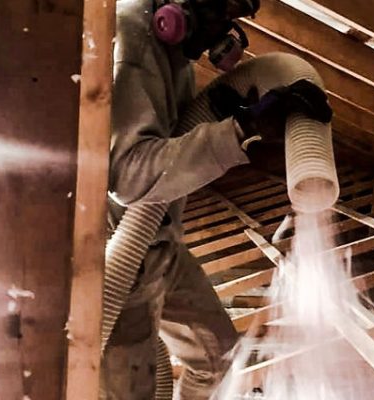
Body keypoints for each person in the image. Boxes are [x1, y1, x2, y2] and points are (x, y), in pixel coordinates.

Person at [101, 0, 332, 399]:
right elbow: (128, 176)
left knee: (219, 359)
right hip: (117, 257)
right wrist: (240, 131)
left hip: (162, 248)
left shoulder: (170, 51)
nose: (222, 29)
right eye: (220, 10)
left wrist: (229, 114)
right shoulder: (134, 41)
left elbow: (174, 132)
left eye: (232, 16)